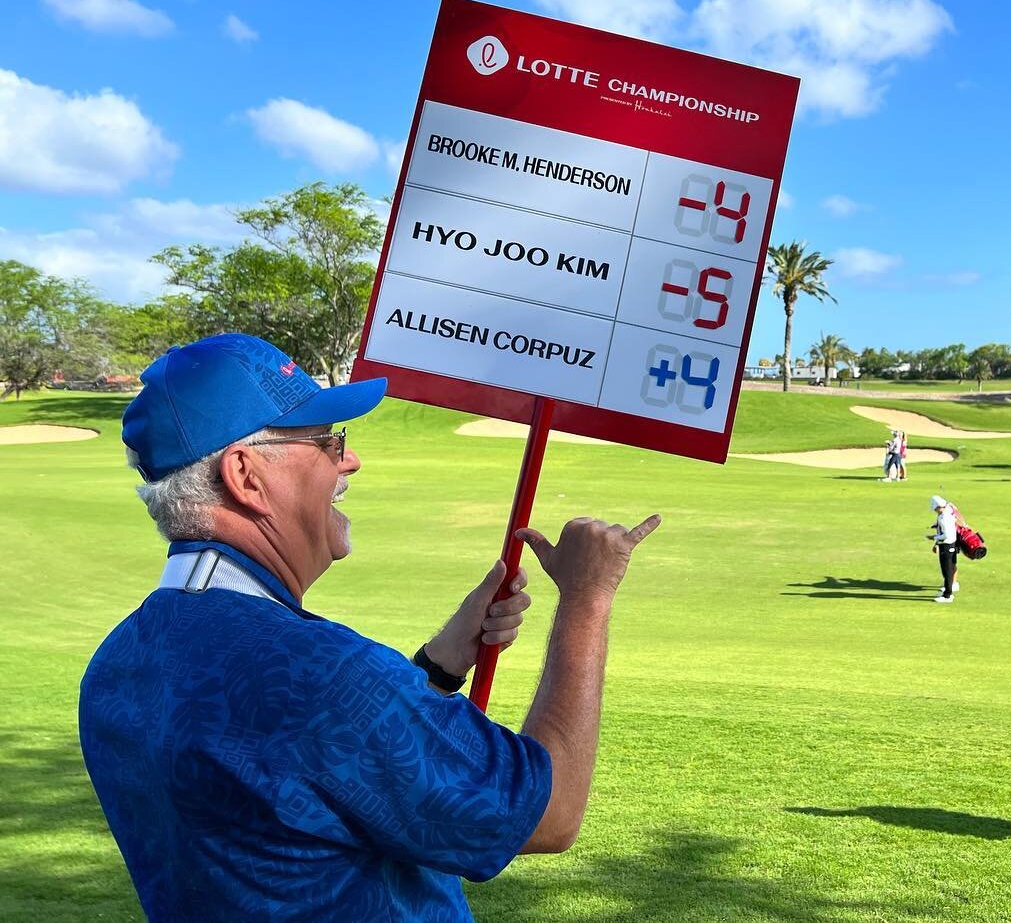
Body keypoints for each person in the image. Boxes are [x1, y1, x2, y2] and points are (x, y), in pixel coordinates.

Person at [78, 333, 662, 921]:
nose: (348, 459)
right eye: (327, 442)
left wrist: (438, 666)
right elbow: (549, 811)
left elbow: (308, 784)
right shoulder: (316, 673)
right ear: (246, 476)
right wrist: (587, 600)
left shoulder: (117, 661)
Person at [928, 494, 964, 602]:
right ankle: (948, 590)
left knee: (947, 570)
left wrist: (934, 538)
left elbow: (945, 535)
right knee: (949, 569)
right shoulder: (947, 513)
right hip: (951, 544)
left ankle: (947, 595)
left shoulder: (944, 517)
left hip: (947, 545)